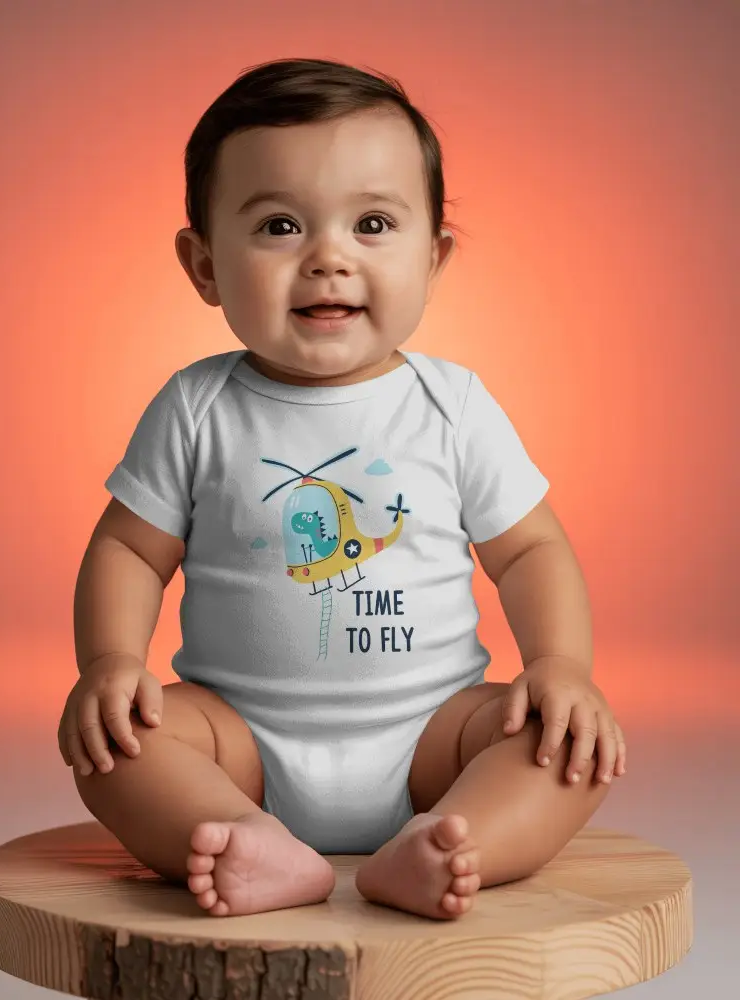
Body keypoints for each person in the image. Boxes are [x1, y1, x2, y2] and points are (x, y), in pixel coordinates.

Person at [58, 57, 626, 921]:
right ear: (204, 265)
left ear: (432, 259)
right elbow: (128, 549)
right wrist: (109, 665)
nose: (328, 258)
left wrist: (560, 667)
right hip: (236, 744)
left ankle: (455, 838)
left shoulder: (452, 405)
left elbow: (532, 549)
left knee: (564, 744)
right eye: (281, 226)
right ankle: (238, 837)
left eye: (371, 223)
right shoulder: (196, 407)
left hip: (436, 742)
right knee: (113, 746)